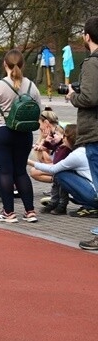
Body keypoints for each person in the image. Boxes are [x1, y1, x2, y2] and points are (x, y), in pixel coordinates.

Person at [0, 49, 42, 223]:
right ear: (23, 64)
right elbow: (39, 111)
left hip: (1, 132)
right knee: (21, 172)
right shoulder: (31, 86)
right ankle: (30, 211)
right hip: (24, 133)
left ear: (4, 64)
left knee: (4, 172)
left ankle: (8, 212)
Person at [69, 18, 98, 249]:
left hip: (95, 130)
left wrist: (72, 97)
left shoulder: (92, 63)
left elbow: (89, 98)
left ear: (87, 37)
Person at [31, 125, 93, 216]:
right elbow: (50, 146)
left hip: (88, 189)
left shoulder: (70, 151)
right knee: (56, 183)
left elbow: (54, 168)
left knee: (60, 177)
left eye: (63, 135)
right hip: (86, 185)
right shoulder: (62, 146)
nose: (62, 138)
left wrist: (29, 162)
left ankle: (62, 204)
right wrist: (45, 141)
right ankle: (54, 202)